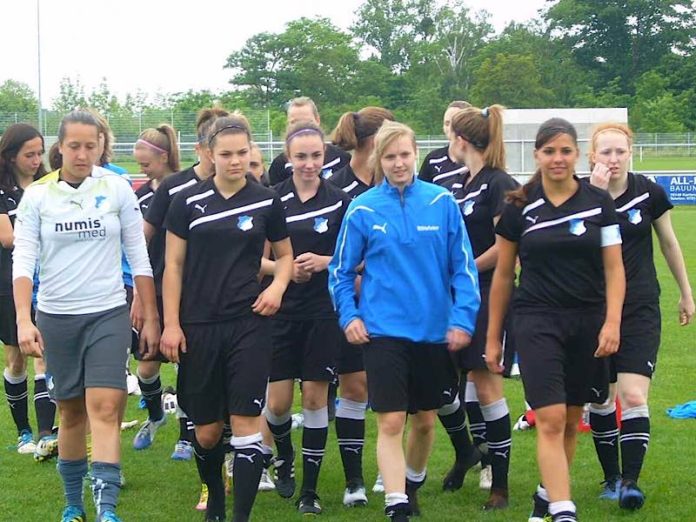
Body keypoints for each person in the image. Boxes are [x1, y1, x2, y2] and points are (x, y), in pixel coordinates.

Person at [12, 110, 159, 522]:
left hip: (107, 313)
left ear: (101, 145)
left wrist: (149, 315)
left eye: (90, 145)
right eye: (73, 146)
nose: (81, 153)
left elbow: (139, 255)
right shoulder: (38, 195)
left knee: (107, 407)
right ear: (60, 147)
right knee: (71, 411)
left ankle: (107, 508)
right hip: (57, 318)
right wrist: (25, 319)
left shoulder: (116, 188)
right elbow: (23, 262)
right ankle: (73, 503)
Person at [329, 121, 480, 522]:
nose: (398, 163)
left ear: (416, 155)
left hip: (433, 332)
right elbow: (340, 272)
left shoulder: (441, 203)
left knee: (426, 421)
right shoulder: (362, 208)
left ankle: (411, 485)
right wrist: (350, 316)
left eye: (404, 155)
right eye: (390, 156)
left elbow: (463, 269)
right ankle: (396, 504)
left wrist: (462, 319)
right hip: (382, 333)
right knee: (392, 419)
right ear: (379, 159)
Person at [486, 118, 625, 522]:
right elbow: (502, 276)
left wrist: (612, 322)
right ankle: (565, 512)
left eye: (565, 151)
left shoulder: (599, 203)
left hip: (587, 321)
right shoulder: (518, 206)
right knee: (547, 417)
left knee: (567, 421)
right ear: (537, 155)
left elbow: (615, 271)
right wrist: (493, 338)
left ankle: (546, 497)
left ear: (577, 154)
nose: (558, 159)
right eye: (550, 151)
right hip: (535, 320)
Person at [160, 114, 293, 522]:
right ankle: (215, 496)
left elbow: (285, 255)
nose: (235, 161)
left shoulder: (266, 199)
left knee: (246, 423)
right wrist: (171, 324)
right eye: (226, 154)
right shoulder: (186, 201)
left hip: (249, 324)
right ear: (208, 155)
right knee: (208, 431)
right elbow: (174, 267)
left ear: (251, 152)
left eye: (242, 153)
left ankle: (240, 517)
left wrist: (276, 287)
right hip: (199, 325)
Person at [586, 122, 694, 509]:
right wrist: (596, 197)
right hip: (594, 309)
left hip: (640, 307)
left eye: (620, 152)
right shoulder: (582, 195)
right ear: (592, 156)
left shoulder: (649, 191)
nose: (613, 160)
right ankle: (611, 477)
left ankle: (630, 482)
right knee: (601, 400)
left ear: (631, 152)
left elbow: (668, 242)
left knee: (632, 395)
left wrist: (686, 293)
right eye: (605, 152)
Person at [264, 120, 351, 515]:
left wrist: (324, 262)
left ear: (325, 156)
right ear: (288, 157)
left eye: (316, 155)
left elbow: (354, 259)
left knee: (315, 397)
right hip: (281, 311)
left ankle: (310, 491)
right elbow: (256, 258)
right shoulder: (271, 199)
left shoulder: (339, 201)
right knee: (279, 404)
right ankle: (283, 458)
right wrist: (283, 271)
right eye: (301, 156)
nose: (309, 163)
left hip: (322, 311)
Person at [438, 105, 519, 509]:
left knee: (486, 383)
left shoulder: (498, 182)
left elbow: (509, 252)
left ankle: (500, 485)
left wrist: (464, 268)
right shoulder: (461, 183)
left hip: (489, 293)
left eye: (451, 134)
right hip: (457, 295)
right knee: (446, 383)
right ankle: (469, 454)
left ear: (462, 141)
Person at [142, 107, 229, 466]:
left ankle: (193, 437)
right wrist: (139, 295)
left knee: (202, 371)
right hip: (169, 293)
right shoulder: (175, 187)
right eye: (218, 148)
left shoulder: (244, 189)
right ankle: (171, 422)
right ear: (203, 148)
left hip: (216, 300)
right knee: (156, 365)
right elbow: (142, 241)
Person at [327, 106, 394, 502]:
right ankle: (354, 481)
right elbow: (335, 255)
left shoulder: (398, 185)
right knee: (353, 386)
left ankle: (391, 472)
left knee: (390, 388)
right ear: (375, 140)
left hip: (392, 303)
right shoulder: (338, 189)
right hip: (351, 303)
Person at [0, 123, 57, 460]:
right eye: (29, 154)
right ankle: (23, 431)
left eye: (39, 152)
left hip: (48, 281)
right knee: (16, 356)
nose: (37, 160)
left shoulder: (48, 186)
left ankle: (47, 433)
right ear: (10, 155)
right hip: (9, 283)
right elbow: (7, 238)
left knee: (46, 354)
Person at [130, 124, 181, 451]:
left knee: (188, 363)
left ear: (163, 157)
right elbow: (136, 248)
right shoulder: (140, 196)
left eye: (146, 164)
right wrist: (137, 294)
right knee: (146, 365)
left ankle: (188, 436)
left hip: (183, 287)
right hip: (150, 289)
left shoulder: (186, 189)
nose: (141, 169)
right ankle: (155, 414)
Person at [268, 97, 350, 185]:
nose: (301, 127)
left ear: (317, 120)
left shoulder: (341, 158)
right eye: (294, 123)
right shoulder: (280, 164)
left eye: (307, 122)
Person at [418, 101, 471, 186]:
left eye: (454, 123)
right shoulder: (433, 159)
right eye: (447, 123)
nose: (450, 128)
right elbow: (422, 192)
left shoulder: (478, 159)